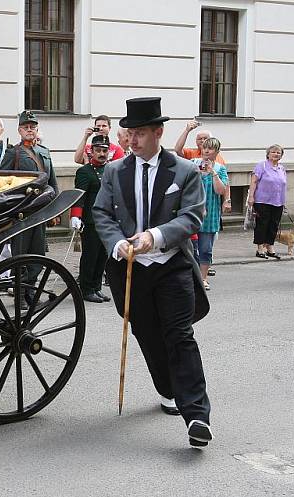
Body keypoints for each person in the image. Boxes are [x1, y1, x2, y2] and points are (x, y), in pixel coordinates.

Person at [93, 97, 213, 448]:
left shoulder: (184, 171)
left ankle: (198, 417)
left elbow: (192, 216)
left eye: (141, 132)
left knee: (180, 336)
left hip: (171, 265)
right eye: (130, 132)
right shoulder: (115, 171)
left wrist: (154, 236)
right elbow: (101, 213)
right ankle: (167, 389)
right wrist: (118, 244)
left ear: (158, 132)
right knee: (147, 333)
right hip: (132, 270)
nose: (133, 139)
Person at [0, 110, 59, 306]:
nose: (29, 130)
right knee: (21, 255)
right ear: (19, 130)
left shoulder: (45, 152)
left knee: (38, 254)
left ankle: (31, 293)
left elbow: (52, 181)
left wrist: (55, 209)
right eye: (26, 127)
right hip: (22, 212)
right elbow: (3, 181)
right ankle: (20, 295)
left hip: (41, 211)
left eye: (32, 127)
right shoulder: (13, 153)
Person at [70, 134, 111, 303]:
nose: (102, 153)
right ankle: (86, 289)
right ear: (91, 151)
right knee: (90, 255)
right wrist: (76, 216)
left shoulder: (109, 170)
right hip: (90, 220)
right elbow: (79, 196)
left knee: (102, 256)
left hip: (107, 220)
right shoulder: (84, 172)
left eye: (104, 150)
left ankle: (96, 287)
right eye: (98, 150)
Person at [190, 137, 228, 290]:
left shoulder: (220, 168)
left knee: (205, 249)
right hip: (193, 214)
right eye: (205, 147)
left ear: (216, 152)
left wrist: (213, 173)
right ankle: (191, 277)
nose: (206, 151)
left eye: (210, 148)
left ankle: (203, 278)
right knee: (191, 248)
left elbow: (220, 191)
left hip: (210, 214)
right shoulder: (193, 163)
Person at [248, 144, 287, 260]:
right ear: (268, 154)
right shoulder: (262, 166)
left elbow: (283, 185)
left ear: (281, 156)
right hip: (262, 200)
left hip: (278, 201)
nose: (276, 154)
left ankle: (270, 247)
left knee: (274, 225)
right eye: (273, 152)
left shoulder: (282, 168)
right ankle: (260, 248)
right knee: (262, 224)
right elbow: (254, 181)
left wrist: (284, 201)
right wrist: (251, 197)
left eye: (278, 152)